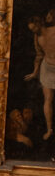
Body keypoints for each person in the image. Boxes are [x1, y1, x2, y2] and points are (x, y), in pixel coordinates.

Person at [26, 10, 55, 140]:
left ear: (39, 24)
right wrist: (34, 72)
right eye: (31, 30)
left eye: (34, 28)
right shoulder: (37, 38)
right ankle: (49, 130)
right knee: (48, 100)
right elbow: (39, 56)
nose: (33, 31)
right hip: (47, 69)